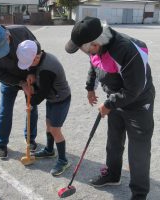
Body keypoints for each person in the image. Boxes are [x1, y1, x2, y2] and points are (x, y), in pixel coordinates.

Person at [65, 17, 155, 200]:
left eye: (82, 48)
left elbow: (133, 90)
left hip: (138, 104)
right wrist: (90, 87)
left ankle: (139, 194)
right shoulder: (95, 46)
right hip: (115, 98)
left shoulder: (126, 51)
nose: (84, 52)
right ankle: (113, 175)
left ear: (95, 43)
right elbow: (94, 63)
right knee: (114, 142)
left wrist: (108, 104)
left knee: (138, 151)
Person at [0, 23, 39, 159]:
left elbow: (37, 50)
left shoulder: (22, 32)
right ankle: (1, 143)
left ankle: (30, 139)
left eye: (2, 46)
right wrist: (20, 83)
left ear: (8, 36)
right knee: (5, 110)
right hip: (9, 81)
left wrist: (32, 73)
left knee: (32, 107)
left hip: (28, 75)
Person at [16, 40, 71, 176]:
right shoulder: (41, 57)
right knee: (48, 124)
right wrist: (31, 73)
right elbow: (35, 68)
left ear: (35, 57)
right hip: (53, 98)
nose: (28, 67)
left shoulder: (47, 69)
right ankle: (49, 150)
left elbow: (42, 94)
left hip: (60, 100)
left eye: (29, 64)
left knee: (54, 129)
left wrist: (30, 102)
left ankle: (63, 160)